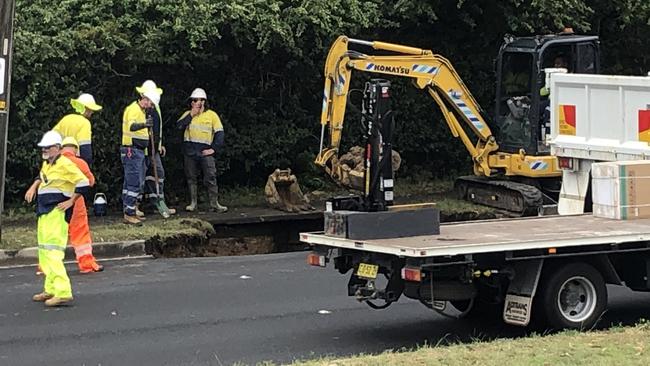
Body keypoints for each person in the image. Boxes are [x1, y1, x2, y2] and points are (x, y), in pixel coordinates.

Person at [25, 131, 90, 306]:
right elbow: (41, 176)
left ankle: (63, 291)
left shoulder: (65, 164)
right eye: (43, 148)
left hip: (56, 212)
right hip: (44, 212)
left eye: (48, 148)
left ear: (58, 148)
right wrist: (33, 187)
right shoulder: (48, 164)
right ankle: (51, 288)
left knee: (53, 251)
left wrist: (71, 202)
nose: (44, 150)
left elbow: (83, 182)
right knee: (45, 252)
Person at [176, 88, 228, 213]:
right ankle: (193, 203)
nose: (197, 102)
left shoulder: (212, 115)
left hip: (205, 151)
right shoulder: (187, 114)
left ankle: (214, 203)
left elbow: (220, 133)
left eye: (199, 100)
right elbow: (179, 126)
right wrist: (191, 114)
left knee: (210, 176)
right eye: (194, 100)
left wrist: (213, 149)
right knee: (191, 177)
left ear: (205, 101)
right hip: (190, 151)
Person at [61, 137, 104, 273]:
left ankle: (46, 267)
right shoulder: (79, 162)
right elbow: (90, 181)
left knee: (53, 236)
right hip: (75, 201)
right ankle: (86, 265)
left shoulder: (52, 163)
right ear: (75, 149)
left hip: (54, 202)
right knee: (80, 233)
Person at [121, 85, 161, 224]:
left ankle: (128, 210)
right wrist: (145, 124)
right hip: (132, 150)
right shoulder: (133, 109)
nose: (151, 106)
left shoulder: (140, 110)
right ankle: (129, 212)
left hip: (136, 151)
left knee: (129, 183)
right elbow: (132, 126)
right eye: (150, 103)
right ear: (145, 99)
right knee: (133, 182)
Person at [137, 80, 176, 219]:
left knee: (158, 173)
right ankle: (136, 205)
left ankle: (158, 201)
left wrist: (160, 144)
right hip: (143, 148)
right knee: (140, 177)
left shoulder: (156, 107)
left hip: (154, 148)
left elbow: (157, 128)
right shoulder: (141, 108)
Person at [53, 93, 103, 165]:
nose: (92, 112)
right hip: (74, 164)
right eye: (91, 109)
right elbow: (85, 151)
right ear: (86, 108)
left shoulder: (65, 119)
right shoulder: (84, 123)